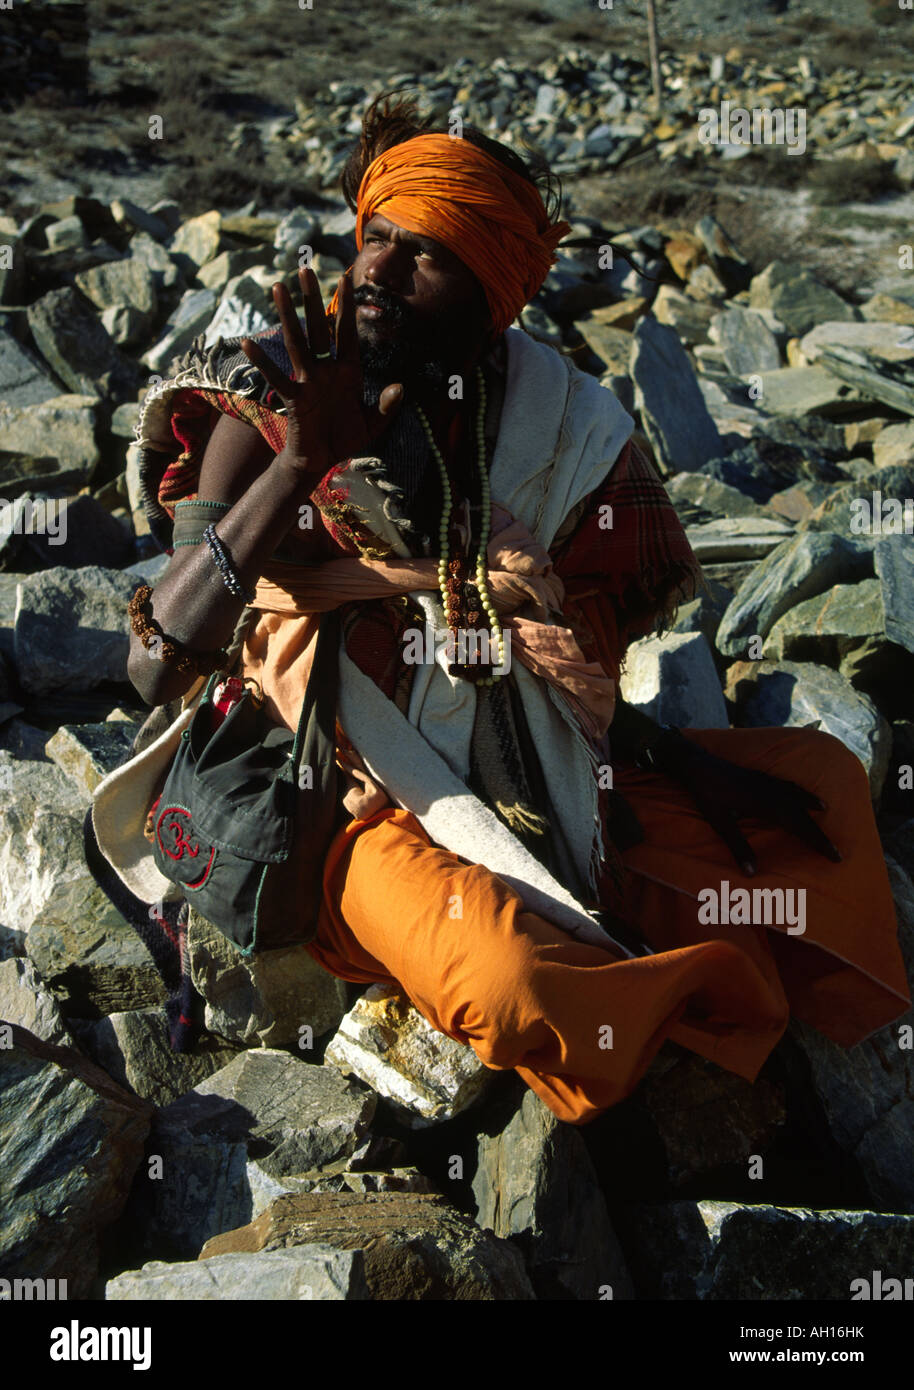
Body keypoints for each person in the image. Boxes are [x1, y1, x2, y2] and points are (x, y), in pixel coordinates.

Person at [119, 94, 909, 1126]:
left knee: (817, 787)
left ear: (493, 293)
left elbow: (569, 646)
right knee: (509, 981)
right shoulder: (271, 385)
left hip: (523, 767)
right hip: (344, 789)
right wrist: (301, 460)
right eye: (376, 237)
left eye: (426, 255)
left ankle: (646, 955)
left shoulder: (559, 424)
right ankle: (698, 1024)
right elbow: (157, 669)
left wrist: (666, 754)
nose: (377, 272)